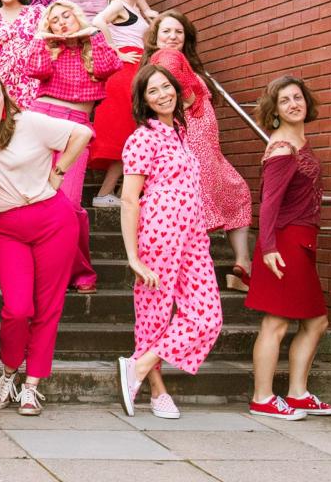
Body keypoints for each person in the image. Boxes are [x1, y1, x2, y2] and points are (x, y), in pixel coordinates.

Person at [0, 74, 92, 415]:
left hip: (53, 220)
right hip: (7, 228)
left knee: (48, 307)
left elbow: (83, 132)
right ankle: (8, 373)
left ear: (4, 99)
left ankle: (32, 384)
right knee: (17, 309)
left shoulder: (28, 122)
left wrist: (60, 169)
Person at [116, 65, 224, 419]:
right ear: (143, 101)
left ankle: (140, 365)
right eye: (153, 91)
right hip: (159, 229)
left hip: (192, 232)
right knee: (154, 314)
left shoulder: (180, 132)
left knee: (207, 316)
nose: (163, 94)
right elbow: (130, 199)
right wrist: (133, 255)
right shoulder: (142, 138)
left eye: (166, 87)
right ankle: (157, 391)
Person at [246, 76, 331, 420]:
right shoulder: (283, 148)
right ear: (275, 111)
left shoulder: (299, 140)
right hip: (283, 243)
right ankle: (262, 397)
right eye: (284, 101)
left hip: (301, 241)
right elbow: (269, 204)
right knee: (276, 322)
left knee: (316, 322)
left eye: (297, 97)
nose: (293, 104)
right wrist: (268, 247)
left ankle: (298, 393)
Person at [144, 10, 253, 289]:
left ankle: (242, 264)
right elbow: (180, 90)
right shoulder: (167, 58)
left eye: (179, 31)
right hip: (191, 143)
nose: (173, 36)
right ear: (155, 38)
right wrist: (191, 95)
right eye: (166, 31)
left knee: (234, 193)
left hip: (207, 146)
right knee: (201, 203)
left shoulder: (183, 62)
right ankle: (198, 273)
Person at [25, 0, 122, 292]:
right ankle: (46, 269)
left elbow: (110, 66)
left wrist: (92, 32)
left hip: (76, 127)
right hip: (42, 120)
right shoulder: (49, 48)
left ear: (77, 16)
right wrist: (44, 39)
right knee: (38, 198)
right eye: (55, 19)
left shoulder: (93, 46)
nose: (62, 22)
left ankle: (78, 270)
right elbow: (35, 70)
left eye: (66, 15)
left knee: (68, 203)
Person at [89, 0, 157, 207]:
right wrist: (115, 50)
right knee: (127, 133)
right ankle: (106, 193)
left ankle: (113, 193)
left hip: (137, 70)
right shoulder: (118, 5)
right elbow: (97, 22)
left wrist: (147, 9)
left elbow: (141, 1)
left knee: (132, 132)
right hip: (124, 71)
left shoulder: (136, 8)